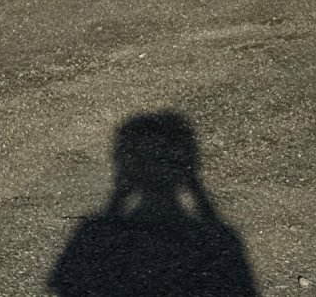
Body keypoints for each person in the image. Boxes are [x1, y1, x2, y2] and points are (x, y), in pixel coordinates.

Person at [49, 112, 258, 297]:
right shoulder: (215, 242)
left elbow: (70, 286)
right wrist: (197, 189)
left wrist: (117, 197)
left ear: (125, 167)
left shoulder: (97, 236)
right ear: (187, 168)